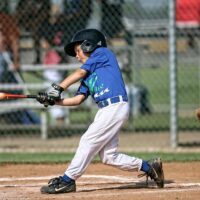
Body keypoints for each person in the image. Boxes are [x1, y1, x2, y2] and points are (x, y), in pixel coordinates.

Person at [36, 29, 164, 194]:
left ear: (88, 45)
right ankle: (149, 167)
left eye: (77, 51)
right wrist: (54, 101)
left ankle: (68, 180)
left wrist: (58, 88)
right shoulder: (87, 76)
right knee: (108, 157)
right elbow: (77, 100)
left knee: (87, 141)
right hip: (107, 110)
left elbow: (79, 72)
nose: (76, 56)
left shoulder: (102, 53)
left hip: (115, 106)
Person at [40, 23, 67, 125]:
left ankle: (59, 121)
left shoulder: (57, 38)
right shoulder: (57, 37)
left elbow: (46, 46)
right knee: (50, 94)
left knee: (54, 94)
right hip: (52, 68)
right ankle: (58, 121)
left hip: (53, 69)